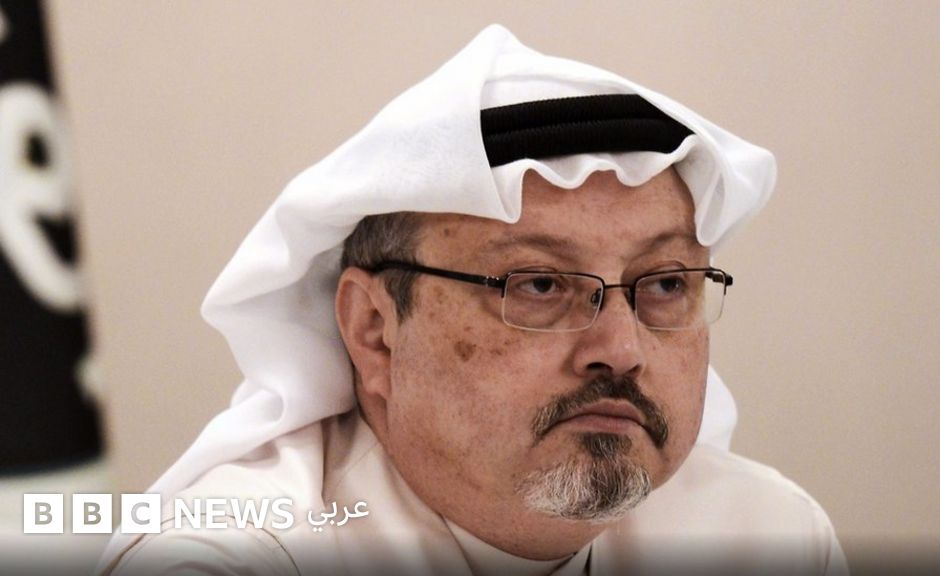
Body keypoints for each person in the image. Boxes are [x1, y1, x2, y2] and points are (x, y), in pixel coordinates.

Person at [100, 25, 847, 576]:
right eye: (540, 284)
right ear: (375, 331)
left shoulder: (768, 538)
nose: (620, 350)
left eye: (663, 285)